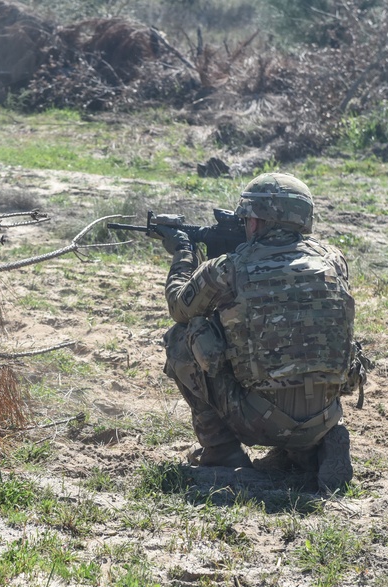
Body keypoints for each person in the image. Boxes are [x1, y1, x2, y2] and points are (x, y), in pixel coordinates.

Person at [156, 172, 367, 492]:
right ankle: (310, 449)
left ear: (254, 221)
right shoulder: (334, 260)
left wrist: (183, 251)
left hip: (253, 422)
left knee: (183, 335)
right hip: (322, 416)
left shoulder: (228, 269)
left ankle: (221, 450)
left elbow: (179, 306)